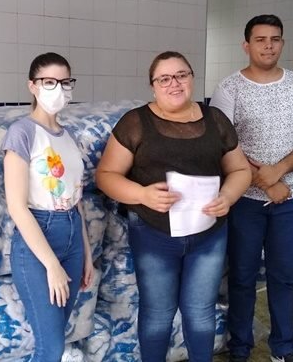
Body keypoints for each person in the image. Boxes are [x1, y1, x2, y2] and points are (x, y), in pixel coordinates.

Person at [96, 51, 252, 362]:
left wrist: (228, 196)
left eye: (181, 75)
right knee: (158, 314)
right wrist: (142, 194)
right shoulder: (136, 122)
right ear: (153, 86)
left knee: (201, 312)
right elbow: (106, 175)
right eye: (164, 78)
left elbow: (240, 170)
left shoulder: (215, 119)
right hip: (154, 234)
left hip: (209, 235)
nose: (174, 83)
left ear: (192, 78)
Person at [211, 14, 293, 362]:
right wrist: (265, 181)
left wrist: (278, 172)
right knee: (242, 277)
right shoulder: (229, 88)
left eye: (275, 39)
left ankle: (283, 348)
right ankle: (240, 347)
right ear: (246, 45)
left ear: (282, 43)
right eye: (260, 39)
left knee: (283, 276)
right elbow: (222, 144)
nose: (268, 46)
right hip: (244, 200)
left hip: (292, 198)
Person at [2, 52, 94, 361]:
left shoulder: (69, 136)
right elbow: (17, 207)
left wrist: (87, 254)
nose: (59, 89)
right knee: (51, 346)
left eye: (65, 82)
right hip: (39, 239)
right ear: (33, 86)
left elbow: (76, 200)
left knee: (56, 336)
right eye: (49, 82)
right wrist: (51, 265)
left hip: (72, 235)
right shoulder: (22, 132)